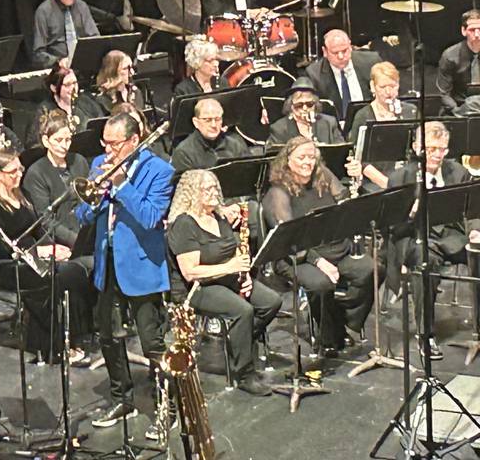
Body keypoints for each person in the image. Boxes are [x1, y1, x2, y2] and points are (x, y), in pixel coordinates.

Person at [75, 113, 174, 438]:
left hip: (143, 266)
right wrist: (95, 198)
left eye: (115, 143)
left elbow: (149, 218)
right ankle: (122, 399)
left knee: (151, 341)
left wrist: (121, 186)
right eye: (105, 142)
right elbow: (83, 214)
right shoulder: (101, 163)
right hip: (109, 263)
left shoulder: (160, 171)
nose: (108, 149)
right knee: (110, 337)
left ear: (133, 141)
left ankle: (166, 407)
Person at [167, 170, 281, 395]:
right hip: (197, 289)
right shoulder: (184, 224)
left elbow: (232, 252)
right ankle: (243, 373)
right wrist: (231, 268)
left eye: (214, 188)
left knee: (271, 302)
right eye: (206, 189)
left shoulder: (218, 217)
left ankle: (239, 341)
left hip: (226, 277)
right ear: (191, 194)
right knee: (243, 310)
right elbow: (191, 272)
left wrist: (244, 276)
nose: (213, 193)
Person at [0, 148, 94, 364]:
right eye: (12, 171)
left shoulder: (23, 195)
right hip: (8, 265)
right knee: (56, 279)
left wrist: (55, 248)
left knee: (76, 271)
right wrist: (40, 251)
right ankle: (51, 346)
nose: (18, 175)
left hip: (34, 259)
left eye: (19, 169)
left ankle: (74, 338)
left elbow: (39, 230)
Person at [263, 136, 373, 356]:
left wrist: (354, 193)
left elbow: (343, 200)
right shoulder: (278, 192)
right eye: (301, 157)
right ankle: (328, 336)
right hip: (297, 256)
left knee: (371, 269)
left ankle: (343, 323)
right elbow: (289, 238)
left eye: (311, 157)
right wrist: (319, 262)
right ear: (287, 161)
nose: (308, 162)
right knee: (321, 285)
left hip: (334, 249)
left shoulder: (323, 175)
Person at [386, 121, 480, 360]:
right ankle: (425, 334)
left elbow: (473, 210)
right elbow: (392, 227)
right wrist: (408, 215)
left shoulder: (457, 172)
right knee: (425, 263)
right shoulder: (400, 178)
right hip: (415, 237)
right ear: (418, 148)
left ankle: (479, 330)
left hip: (450, 236)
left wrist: (475, 231)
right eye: (431, 149)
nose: (437, 155)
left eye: (442, 149)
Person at [22, 111, 90, 248]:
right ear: (46, 141)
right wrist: (76, 241)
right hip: (59, 243)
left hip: (85, 232)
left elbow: (88, 201)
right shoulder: (36, 173)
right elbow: (45, 220)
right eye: (58, 140)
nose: (64, 146)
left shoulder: (79, 161)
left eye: (68, 140)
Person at [348, 61, 417, 190]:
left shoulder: (411, 111)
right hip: (375, 182)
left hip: (408, 178)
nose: (388, 91)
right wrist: (386, 184)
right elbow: (360, 158)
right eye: (382, 87)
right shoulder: (363, 116)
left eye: (393, 86)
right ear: (373, 87)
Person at [32, 0, 100, 68]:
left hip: (83, 64)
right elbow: (38, 54)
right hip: (58, 69)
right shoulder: (44, 11)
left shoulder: (82, 7)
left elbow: (96, 40)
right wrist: (58, 61)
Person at [305, 29, 379, 122]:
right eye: (335, 53)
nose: (340, 56)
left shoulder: (371, 62)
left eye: (344, 51)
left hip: (370, 121)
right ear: (325, 51)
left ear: (350, 46)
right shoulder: (314, 74)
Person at [24, 64, 101, 149]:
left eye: (74, 83)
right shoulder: (44, 111)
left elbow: (100, 125)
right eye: (67, 85)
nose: (73, 88)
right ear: (54, 88)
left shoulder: (86, 102)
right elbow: (33, 145)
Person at [171, 98, 250, 174]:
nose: (213, 125)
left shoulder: (236, 143)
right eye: (207, 120)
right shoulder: (183, 153)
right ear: (196, 122)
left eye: (217, 119)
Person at [266, 77, 343, 149]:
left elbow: (342, 150)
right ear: (291, 106)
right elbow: (276, 159)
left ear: (315, 105)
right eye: (299, 105)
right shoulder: (279, 128)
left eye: (309, 104)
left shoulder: (329, 123)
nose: (305, 108)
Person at [436, 9, 480, 114]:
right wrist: (458, 111)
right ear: (463, 31)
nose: (477, 35)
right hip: (459, 108)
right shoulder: (450, 55)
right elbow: (443, 93)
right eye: (472, 30)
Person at [93, 50, 144, 114]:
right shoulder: (100, 101)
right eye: (125, 68)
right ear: (112, 72)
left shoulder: (136, 92)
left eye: (131, 67)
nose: (132, 73)